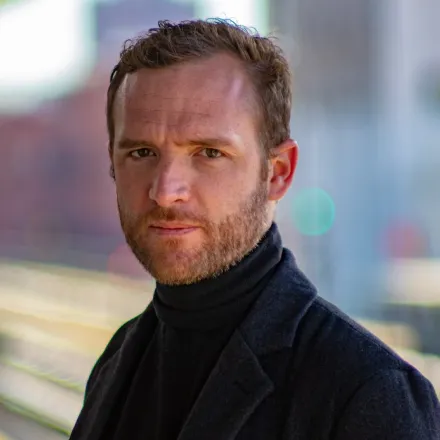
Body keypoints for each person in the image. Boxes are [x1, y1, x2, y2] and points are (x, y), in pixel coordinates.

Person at [70, 18, 440, 440]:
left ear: (277, 173)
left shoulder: (369, 391)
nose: (166, 191)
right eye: (141, 152)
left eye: (209, 152)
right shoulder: (118, 358)